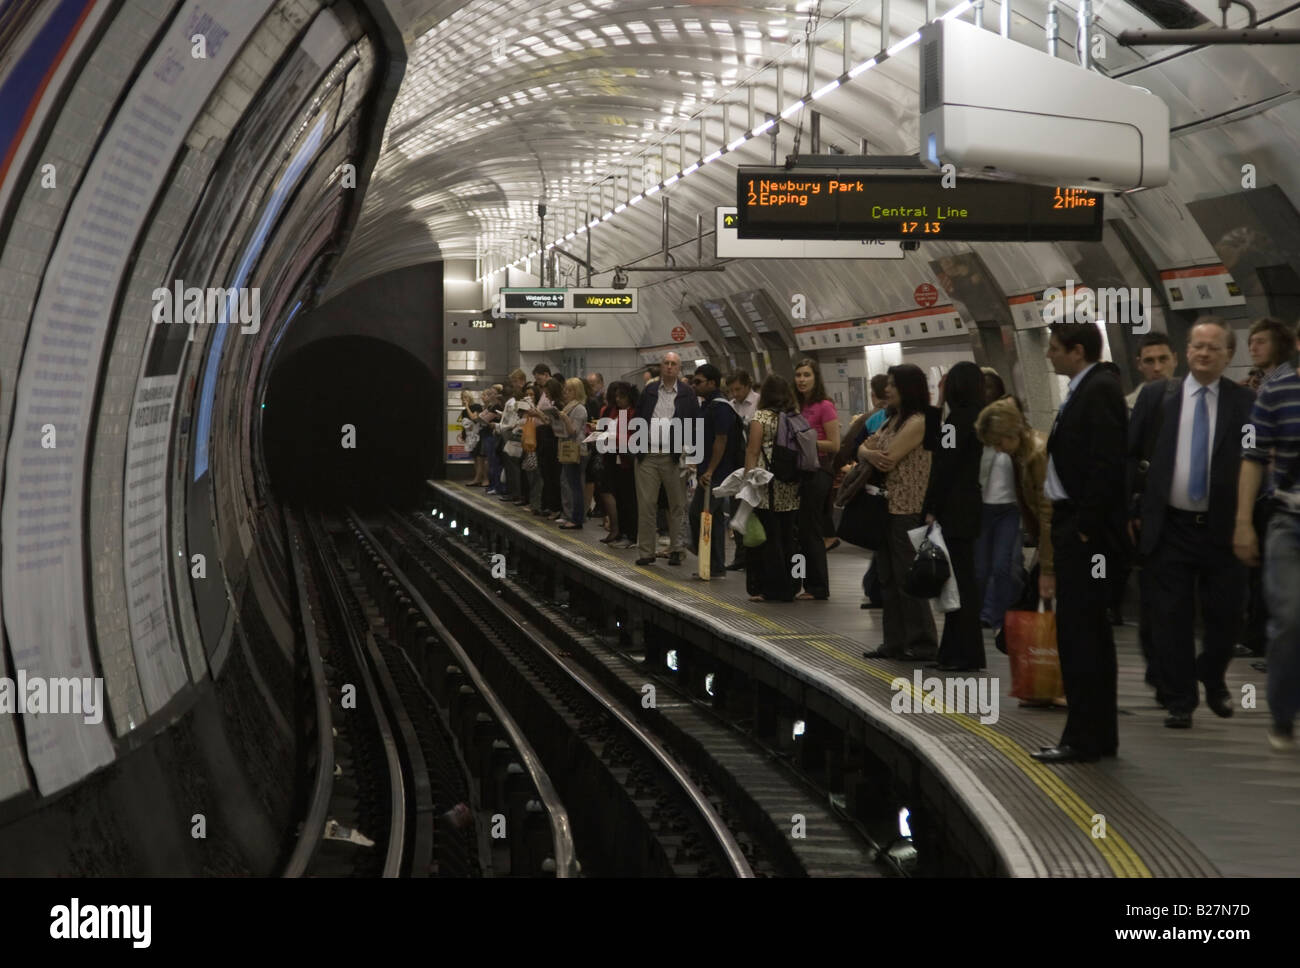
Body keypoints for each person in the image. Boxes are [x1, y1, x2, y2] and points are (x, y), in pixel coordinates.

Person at [1128, 318, 1254, 728]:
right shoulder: (1158, 397)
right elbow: (1130, 455)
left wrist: (1247, 520)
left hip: (1223, 526)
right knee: (1171, 616)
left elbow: (1258, 461)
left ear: (1228, 356)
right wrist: (1134, 508)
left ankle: (1213, 673)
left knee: (1226, 614)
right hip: (1171, 526)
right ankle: (1181, 698)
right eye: (1197, 346)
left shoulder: (1244, 403)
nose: (1203, 353)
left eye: (1212, 348)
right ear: (1187, 351)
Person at [1032, 322, 1126, 764]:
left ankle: (1086, 738)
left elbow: (1107, 463)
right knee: (1083, 632)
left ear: (1077, 351)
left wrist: (1086, 527)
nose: (1048, 355)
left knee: (1082, 633)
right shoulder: (1085, 388)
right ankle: (1093, 734)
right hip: (1077, 527)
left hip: (1085, 535)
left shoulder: (1099, 389)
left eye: (1053, 348)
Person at [1233, 326, 1300, 751]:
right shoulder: (1277, 392)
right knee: (1290, 618)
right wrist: (1242, 522)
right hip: (1289, 519)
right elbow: (1253, 457)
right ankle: (1281, 712)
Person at [860, 364, 938, 660]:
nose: (887, 390)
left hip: (907, 507)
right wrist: (867, 452)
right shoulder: (892, 420)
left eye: (893, 384)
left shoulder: (920, 421)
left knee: (908, 577)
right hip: (886, 506)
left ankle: (922, 642)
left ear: (908, 388)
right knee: (887, 578)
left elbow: (887, 459)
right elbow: (865, 449)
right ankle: (894, 641)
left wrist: (869, 452)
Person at [1240, 317, 1298, 659]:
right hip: (1272, 496)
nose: (1253, 347)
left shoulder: (1278, 385)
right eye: (1251, 341)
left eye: (1261, 341)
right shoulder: (1262, 386)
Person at [923, 361, 985, 671]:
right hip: (971, 507)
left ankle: (963, 653)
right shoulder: (977, 417)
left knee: (958, 584)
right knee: (963, 581)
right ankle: (955, 651)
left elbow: (941, 463)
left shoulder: (956, 422)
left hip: (954, 509)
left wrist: (931, 507)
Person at [975, 397, 1055, 633]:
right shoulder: (1027, 453)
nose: (998, 450)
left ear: (1011, 434)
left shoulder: (1036, 455)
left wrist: (1047, 568)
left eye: (999, 443)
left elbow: (1047, 511)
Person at [633, 352, 699, 566]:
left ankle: (677, 549)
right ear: (661, 367)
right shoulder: (650, 391)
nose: (669, 367)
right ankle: (646, 552)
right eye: (666, 363)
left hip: (674, 456)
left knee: (677, 504)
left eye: (673, 364)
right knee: (647, 504)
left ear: (679, 368)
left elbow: (694, 425)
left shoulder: (687, 394)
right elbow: (639, 417)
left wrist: (693, 457)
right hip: (648, 454)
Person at [974, 366, 1023, 631]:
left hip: (1009, 510)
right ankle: (981, 611)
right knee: (981, 569)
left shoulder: (1020, 441)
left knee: (1005, 566)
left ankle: (995, 615)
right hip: (983, 508)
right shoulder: (979, 433)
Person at [744, 374, 800, 602]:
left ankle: (771, 588)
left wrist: (748, 482)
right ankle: (794, 584)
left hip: (766, 486)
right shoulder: (794, 417)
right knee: (790, 538)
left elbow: (752, 451)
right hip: (791, 486)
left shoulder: (760, 418)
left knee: (769, 539)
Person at [791, 359, 839, 598]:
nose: (801, 379)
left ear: (815, 378)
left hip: (819, 469)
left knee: (811, 529)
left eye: (806, 375)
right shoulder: (795, 406)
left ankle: (818, 586)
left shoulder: (824, 406)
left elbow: (835, 443)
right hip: (798, 470)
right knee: (800, 530)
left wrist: (807, 441)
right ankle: (804, 582)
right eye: (798, 375)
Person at [689, 364, 736, 579]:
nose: (694, 385)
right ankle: (715, 566)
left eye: (698, 382)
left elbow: (722, 439)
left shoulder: (720, 407)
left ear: (712, 383)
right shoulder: (706, 405)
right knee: (714, 518)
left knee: (699, 513)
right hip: (707, 470)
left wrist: (709, 470)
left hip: (717, 473)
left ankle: (707, 562)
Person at [725, 370, 760, 572]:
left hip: (756, 465)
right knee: (736, 508)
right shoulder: (730, 407)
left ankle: (755, 555)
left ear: (748, 386)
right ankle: (741, 555)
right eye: (731, 390)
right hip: (736, 465)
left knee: (753, 510)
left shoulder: (759, 403)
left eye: (738, 389)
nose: (735, 394)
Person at [601, 381, 639, 548]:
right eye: (616, 396)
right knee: (619, 498)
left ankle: (630, 535)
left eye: (621, 397)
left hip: (627, 461)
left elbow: (630, 438)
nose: (618, 400)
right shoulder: (615, 412)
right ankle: (621, 532)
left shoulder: (633, 414)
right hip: (613, 458)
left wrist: (612, 438)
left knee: (628, 499)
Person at [554, 377, 589, 529]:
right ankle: (570, 515)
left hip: (576, 450)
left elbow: (573, 430)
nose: (565, 393)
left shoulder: (579, 408)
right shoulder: (569, 407)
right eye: (565, 390)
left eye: (569, 390)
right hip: (567, 447)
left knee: (575, 486)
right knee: (568, 483)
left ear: (577, 392)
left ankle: (577, 518)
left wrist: (564, 419)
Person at [1126, 333, 1177, 411]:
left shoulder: (1192, 400)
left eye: (1163, 359)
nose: (1157, 368)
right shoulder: (1124, 408)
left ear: (1175, 360)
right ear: (1139, 364)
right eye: (1149, 361)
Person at [458, 390, 487, 485]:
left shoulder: (476, 407)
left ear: (470, 397)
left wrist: (467, 407)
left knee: (480, 458)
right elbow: (465, 424)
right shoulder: (463, 411)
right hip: (470, 436)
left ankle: (481, 478)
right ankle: (478, 477)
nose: (464, 399)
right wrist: (464, 435)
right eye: (462, 397)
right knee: (475, 457)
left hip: (478, 435)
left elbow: (474, 418)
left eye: (466, 397)